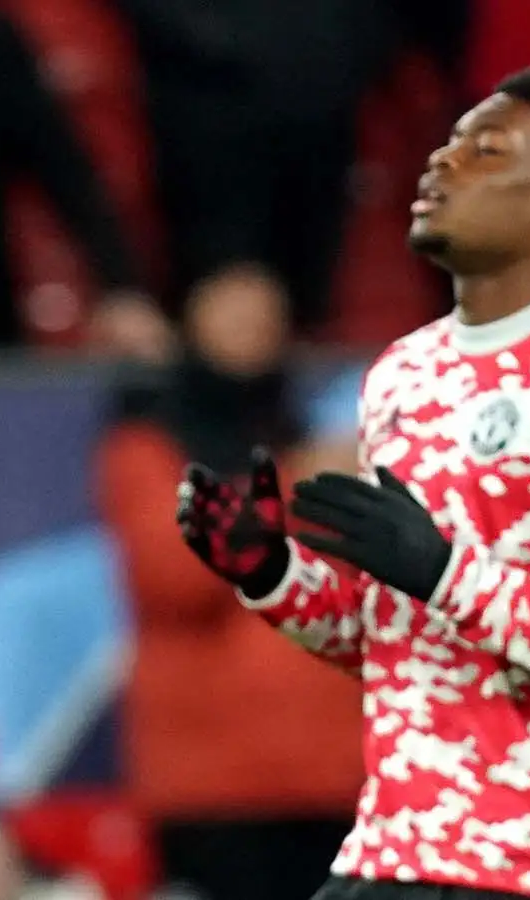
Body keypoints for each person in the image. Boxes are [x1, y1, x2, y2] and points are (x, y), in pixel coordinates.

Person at [174, 67, 530, 900]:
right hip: (394, 850)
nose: (441, 162)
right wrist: (273, 575)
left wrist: (445, 571)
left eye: (485, 149)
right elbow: (405, 646)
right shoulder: (403, 375)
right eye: (449, 141)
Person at [95, 264, 362, 900]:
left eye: (267, 319)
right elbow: (174, 577)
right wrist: (298, 483)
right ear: (189, 324)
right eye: (232, 314)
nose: (252, 332)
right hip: (213, 791)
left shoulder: (309, 440)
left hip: (338, 782)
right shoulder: (145, 444)